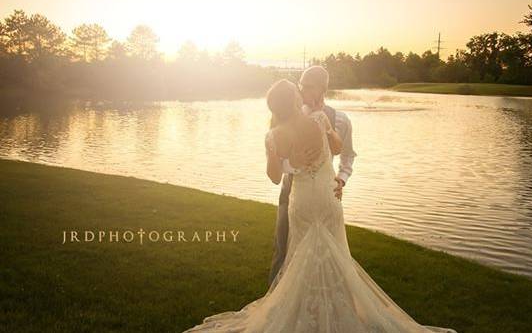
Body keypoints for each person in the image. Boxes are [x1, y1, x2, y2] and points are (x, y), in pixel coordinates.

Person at [182, 78, 457, 333]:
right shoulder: (319, 119)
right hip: (327, 197)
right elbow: (337, 149)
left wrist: (292, 164)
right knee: (336, 253)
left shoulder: (274, 135)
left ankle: (304, 311)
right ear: (295, 98)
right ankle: (340, 307)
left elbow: (274, 176)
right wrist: (323, 144)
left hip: (301, 202)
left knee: (301, 257)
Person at [268, 65, 357, 287]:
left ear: (322, 89)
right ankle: (276, 302)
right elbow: (278, 164)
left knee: (331, 253)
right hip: (292, 191)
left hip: (327, 190)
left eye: (308, 87)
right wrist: (291, 164)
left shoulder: (340, 120)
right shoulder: (287, 115)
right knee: (283, 249)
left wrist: (342, 179)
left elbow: (346, 155)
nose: (302, 91)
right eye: (300, 86)